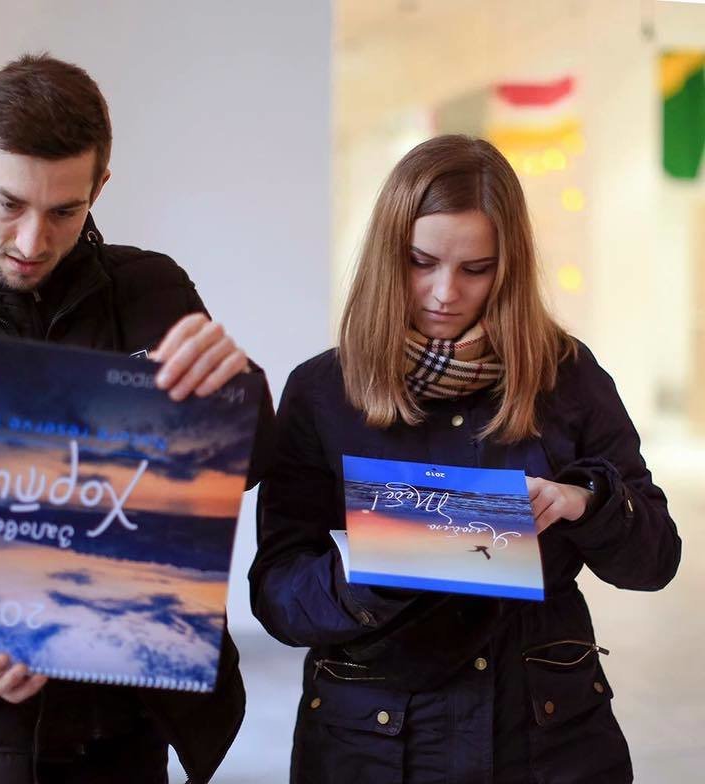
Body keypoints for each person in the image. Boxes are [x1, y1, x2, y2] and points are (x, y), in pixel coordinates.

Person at [0, 53, 270, 784]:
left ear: (100, 187)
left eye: (65, 211)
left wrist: (238, 391)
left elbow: (246, 467)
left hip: (121, 730)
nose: (33, 242)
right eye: (10, 203)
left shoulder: (151, 291)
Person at [249, 135, 681, 783]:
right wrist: (379, 568)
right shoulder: (322, 391)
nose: (444, 292)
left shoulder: (567, 375)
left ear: (509, 268)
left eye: (475, 269)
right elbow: (277, 598)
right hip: (375, 748)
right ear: (387, 254)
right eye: (420, 262)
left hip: (546, 741)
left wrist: (586, 502)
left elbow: (657, 561)